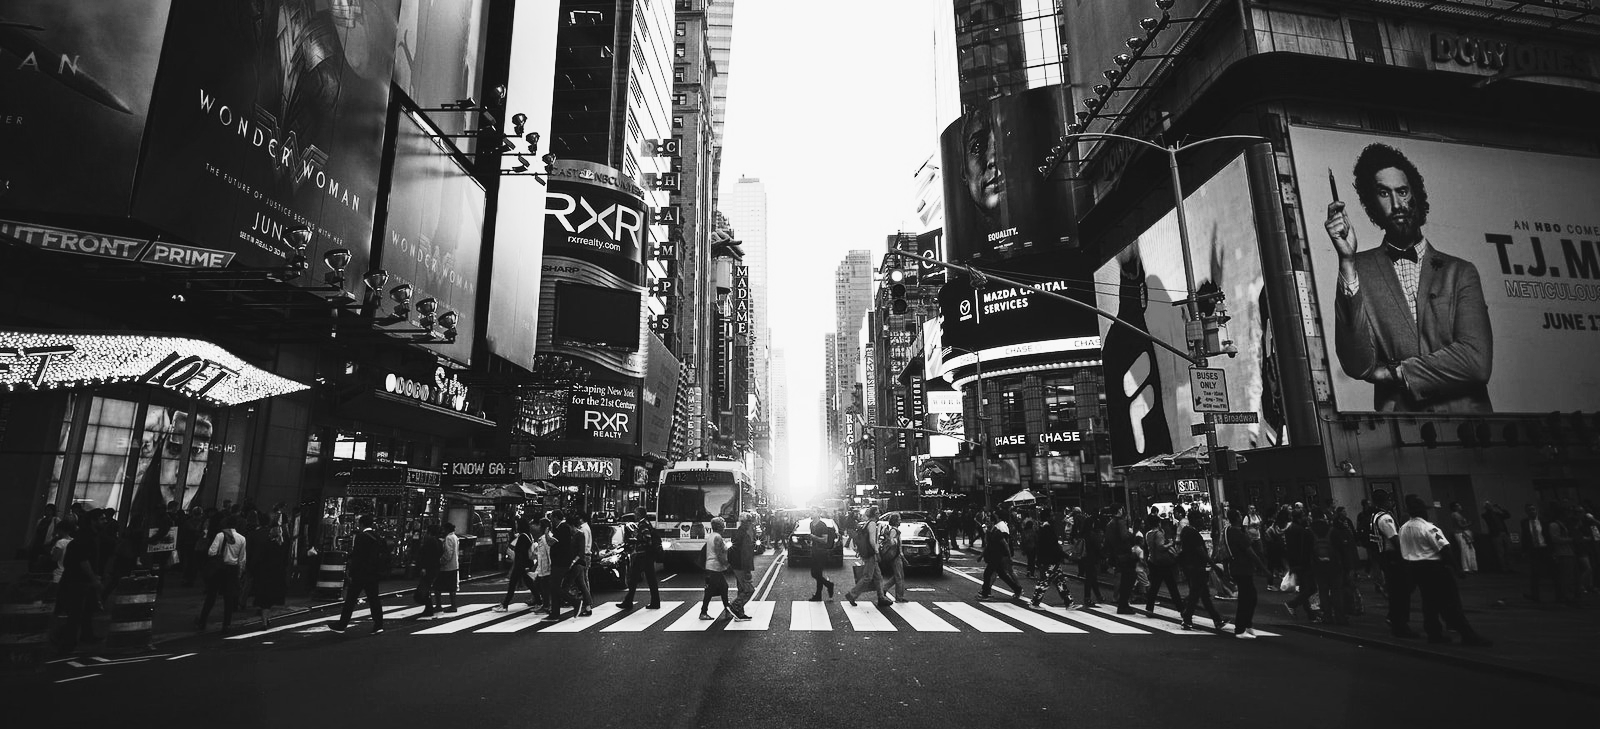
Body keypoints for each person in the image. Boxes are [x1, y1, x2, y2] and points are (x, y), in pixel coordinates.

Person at [1327, 142, 1493, 413]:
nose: (1396, 204)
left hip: (1471, 432)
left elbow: (1476, 362)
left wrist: (1396, 373)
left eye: (1402, 191)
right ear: (1371, 204)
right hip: (1403, 434)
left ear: (1416, 195)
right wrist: (1346, 261)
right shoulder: (1359, 269)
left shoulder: (1461, 272)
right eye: (1383, 193)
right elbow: (1358, 365)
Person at [1399, 495, 1491, 646]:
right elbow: (1444, 549)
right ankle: (1467, 634)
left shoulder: (1403, 529)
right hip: (1435, 568)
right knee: (1451, 602)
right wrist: (1456, 569)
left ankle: (1433, 633)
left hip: (1416, 568)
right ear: (1423, 512)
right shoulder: (1428, 528)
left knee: (1429, 603)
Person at [54, 509, 107, 651]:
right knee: (76, 612)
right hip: (78, 579)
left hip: (80, 578)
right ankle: (67, 641)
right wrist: (94, 578)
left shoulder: (89, 536)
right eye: (101, 519)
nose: (105, 521)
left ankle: (84, 635)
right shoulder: (86, 537)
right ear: (93, 521)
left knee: (85, 610)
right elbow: (83, 560)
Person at [329, 514, 386, 634]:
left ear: (361, 524)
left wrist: (351, 571)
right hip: (373, 573)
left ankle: (342, 625)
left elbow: (358, 556)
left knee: (350, 600)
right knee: (374, 599)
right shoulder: (378, 537)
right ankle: (379, 624)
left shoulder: (361, 537)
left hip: (360, 573)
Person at [1370, 489, 1417, 637]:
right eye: (1390, 500)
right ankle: (1399, 623)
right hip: (1393, 557)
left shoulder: (1375, 515)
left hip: (1384, 556)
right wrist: (1406, 554)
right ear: (1385, 501)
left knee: (1398, 591)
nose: (1392, 503)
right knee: (1401, 591)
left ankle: (1395, 619)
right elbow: (1394, 538)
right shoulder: (1385, 518)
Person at [196, 516, 246, 632]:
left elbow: (211, 552)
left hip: (218, 569)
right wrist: (240, 572)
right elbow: (242, 559)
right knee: (228, 598)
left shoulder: (220, 535)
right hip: (232, 569)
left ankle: (202, 621)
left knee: (211, 596)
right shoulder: (242, 539)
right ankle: (226, 624)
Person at [1225, 509, 1269, 639]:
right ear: (1237, 518)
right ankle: (1240, 628)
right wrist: (1263, 568)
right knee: (1247, 598)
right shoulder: (1238, 533)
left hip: (1237, 568)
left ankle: (1247, 624)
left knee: (1249, 596)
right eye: (1239, 515)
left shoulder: (1228, 531)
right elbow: (1250, 552)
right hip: (1242, 568)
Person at [1178, 515, 1223, 631]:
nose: (1202, 522)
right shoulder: (1193, 533)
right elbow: (1200, 551)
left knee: (1203, 595)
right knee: (1196, 594)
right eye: (1200, 520)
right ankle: (1187, 618)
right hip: (1197, 566)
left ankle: (1217, 619)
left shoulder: (1186, 532)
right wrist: (1213, 564)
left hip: (1190, 566)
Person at [1308, 508, 1350, 625]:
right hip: (1334, 565)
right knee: (1337, 591)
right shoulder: (1332, 530)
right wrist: (1347, 566)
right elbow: (1341, 549)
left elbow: (1307, 551)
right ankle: (1340, 617)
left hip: (1318, 566)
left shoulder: (1310, 531)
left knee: (1323, 591)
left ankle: (1327, 616)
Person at [844, 507, 891, 609]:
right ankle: (852, 594)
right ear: (873, 514)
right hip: (871, 554)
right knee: (867, 577)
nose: (879, 514)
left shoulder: (866, 523)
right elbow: (872, 541)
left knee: (878, 577)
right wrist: (877, 552)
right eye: (877, 513)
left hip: (866, 553)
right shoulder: (872, 524)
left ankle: (881, 597)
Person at [1029, 509, 1074, 610]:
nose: (1054, 517)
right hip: (1049, 561)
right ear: (1047, 517)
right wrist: (1066, 556)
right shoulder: (1046, 529)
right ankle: (1035, 603)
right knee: (1044, 582)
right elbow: (1053, 547)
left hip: (1051, 561)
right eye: (1052, 516)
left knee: (1060, 581)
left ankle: (1069, 603)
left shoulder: (1044, 528)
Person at [977, 511, 1024, 604]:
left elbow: (1005, 544)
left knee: (987, 574)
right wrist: (981, 555)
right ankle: (1017, 589)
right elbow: (988, 546)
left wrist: (1009, 557)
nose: (987, 523)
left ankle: (985, 593)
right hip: (992, 557)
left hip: (997, 557)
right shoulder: (989, 532)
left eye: (988, 522)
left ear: (993, 523)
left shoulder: (997, 532)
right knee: (1003, 575)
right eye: (986, 522)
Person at [620, 507, 662, 610]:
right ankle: (654, 602)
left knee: (633, 579)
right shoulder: (647, 522)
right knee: (649, 579)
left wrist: (636, 540)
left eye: (635, 513)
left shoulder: (642, 524)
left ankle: (628, 602)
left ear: (640, 514)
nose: (634, 515)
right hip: (647, 555)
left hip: (643, 555)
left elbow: (647, 537)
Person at [495, 519, 540, 612]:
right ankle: (539, 602)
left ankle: (505, 605)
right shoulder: (528, 535)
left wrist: (523, 566)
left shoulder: (522, 537)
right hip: (525, 564)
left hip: (521, 565)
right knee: (529, 584)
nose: (516, 526)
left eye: (517, 524)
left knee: (513, 585)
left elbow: (521, 553)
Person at [251, 525, 289, 628]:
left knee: (264, 601)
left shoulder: (266, 545)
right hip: (277, 576)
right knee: (270, 600)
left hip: (265, 575)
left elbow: (259, 559)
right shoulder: (283, 546)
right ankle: (267, 618)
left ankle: (264, 621)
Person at [1283, 510, 1318, 620]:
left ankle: (1310, 615)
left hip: (1295, 563)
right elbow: (1303, 549)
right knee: (1311, 588)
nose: (1306, 518)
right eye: (1304, 516)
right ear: (1299, 518)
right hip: (1303, 563)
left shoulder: (1290, 529)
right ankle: (1293, 604)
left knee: (1304, 588)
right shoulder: (1302, 531)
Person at [1143, 514, 1182, 614]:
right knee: (1172, 586)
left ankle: (1149, 608)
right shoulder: (1159, 533)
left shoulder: (1148, 534)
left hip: (1153, 561)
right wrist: (1170, 543)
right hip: (1163, 563)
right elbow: (1160, 547)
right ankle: (1181, 608)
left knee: (1155, 586)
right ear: (1158, 523)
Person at [543, 510, 574, 622]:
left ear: (556, 518)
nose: (551, 520)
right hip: (559, 562)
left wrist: (546, 533)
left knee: (554, 587)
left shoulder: (563, 528)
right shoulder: (560, 528)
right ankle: (554, 613)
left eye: (552, 518)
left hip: (561, 562)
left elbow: (551, 542)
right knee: (554, 587)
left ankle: (574, 601)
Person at [700, 517, 733, 620]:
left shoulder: (712, 536)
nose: (724, 526)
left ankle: (727, 611)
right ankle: (703, 612)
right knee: (711, 591)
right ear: (719, 526)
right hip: (715, 567)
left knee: (723, 588)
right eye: (723, 524)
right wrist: (727, 565)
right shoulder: (718, 538)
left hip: (712, 566)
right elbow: (719, 554)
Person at [1548, 504, 1580, 607]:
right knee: (1567, 577)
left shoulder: (1564, 524)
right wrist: (1571, 540)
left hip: (1569, 552)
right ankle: (1567, 597)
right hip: (1563, 553)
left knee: (1571, 576)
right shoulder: (1554, 525)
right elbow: (1555, 539)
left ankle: (1570, 596)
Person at [1522, 503, 1555, 602]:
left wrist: (1552, 550)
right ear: (1526, 512)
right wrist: (1524, 550)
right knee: (1534, 573)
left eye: (1533, 509)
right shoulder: (1524, 522)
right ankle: (1535, 595)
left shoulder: (1544, 521)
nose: (1532, 511)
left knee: (1553, 571)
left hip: (1544, 548)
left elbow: (1548, 536)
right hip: (1534, 550)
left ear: (1536, 510)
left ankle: (1559, 594)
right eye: (1529, 510)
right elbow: (1525, 537)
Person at [727, 514, 756, 621]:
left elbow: (731, 550)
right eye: (749, 521)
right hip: (742, 566)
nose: (751, 523)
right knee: (749, 590)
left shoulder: (737, 533)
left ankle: (739, 613)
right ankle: (735, 606)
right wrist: (747, 570)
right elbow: (746, 555)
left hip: (737, 565)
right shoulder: (743, 535)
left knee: (741, 589)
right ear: (745, 522)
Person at [1077, 509, 1106, 607]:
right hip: (1091, 556)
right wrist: (1102, 555)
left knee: (1092, 577)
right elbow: (1097, 547)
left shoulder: (1084, 534)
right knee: (1090, 577)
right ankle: (1087, 597)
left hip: (1085, 556)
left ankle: (1098, 596)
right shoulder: (1092, 535)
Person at [415, 524, 444, 619]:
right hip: (435, 568)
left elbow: (425, 555)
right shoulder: (439, 542)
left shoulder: (429, 541)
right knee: (426, 588)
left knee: (422, 590)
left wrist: (423, 567)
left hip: (428, 568)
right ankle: (428, 608)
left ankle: (429, 607)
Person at [879, 513, 907, 604]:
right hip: (895, 556)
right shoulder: (894, 530)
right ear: (895, 520)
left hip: (896, 555)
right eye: (899, 519)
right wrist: (894, 541)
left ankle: (884, 589)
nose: (900, 520)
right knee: (899, 576)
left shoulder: (895, 530)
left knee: (898, 576)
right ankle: (899, 597)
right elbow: (891, 542)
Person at [435, 522, 461, 614]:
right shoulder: (455, 537)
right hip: (454, 565)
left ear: (447, 529)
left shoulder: (449, 538)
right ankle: (453, 605)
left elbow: (448, 553)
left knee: (437, 586)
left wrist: (441, 561)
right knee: (452, 587)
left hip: (447, 567)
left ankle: (438, 605)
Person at [1481, 501, 1512, 573]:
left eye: (1490, 504)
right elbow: (1487, 517)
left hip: (1504, 533)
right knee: (1500, 552)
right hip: (1496, 535)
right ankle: (1504, 569)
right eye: (1487, 505)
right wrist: (1490, 509)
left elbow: (1508, 515)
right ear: (1485, 507)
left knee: (1509, 550)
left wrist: (1499, 508)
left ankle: (1510, 567)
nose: (1490, 506)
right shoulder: (1485, 515)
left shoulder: (1497, 514)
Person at [1448, 502, 1478, 575]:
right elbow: (1461, 525)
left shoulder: (1458, 514)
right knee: (1464, 550)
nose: (1460, 506)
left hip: (1463, 532)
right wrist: (1469, 523)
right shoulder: (1455, 514)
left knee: (1470, 549)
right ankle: (1466, 568)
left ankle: (1472, 567)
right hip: (1460, 533)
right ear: (1455, 507)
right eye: (1458, 505)